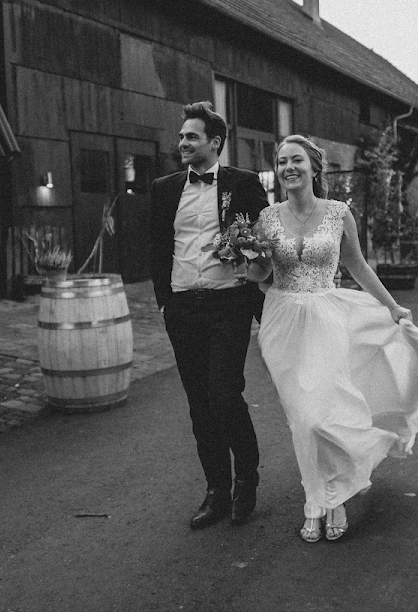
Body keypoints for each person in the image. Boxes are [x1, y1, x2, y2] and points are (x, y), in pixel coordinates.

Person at [245, 134, 418, 542]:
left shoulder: (338, 213)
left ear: (314, 167)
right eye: (282, 161)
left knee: (323, 414)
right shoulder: (267, 218)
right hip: (282, 323)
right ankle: (319, 497)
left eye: (296, 160)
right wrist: (247, 260)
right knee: (302, 419)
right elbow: (260, 275)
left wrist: (392, 307)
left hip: (327, 319)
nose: (289, 167)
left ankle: (330, 499)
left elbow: (358, 267)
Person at [148, 101, 270, 529]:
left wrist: (255, 272)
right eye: (181, 136)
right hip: (183, 308)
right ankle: (216, 490)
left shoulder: (244, 183)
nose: (182, 142)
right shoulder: (164, 188)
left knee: (223, 393)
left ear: (214, 142)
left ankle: (246, 481)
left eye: (191, 136)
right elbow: (157, 245)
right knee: (199, 405)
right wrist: (165, 301)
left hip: (227, 306)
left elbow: (264, 240)